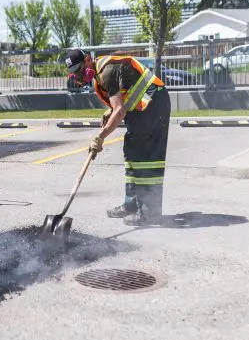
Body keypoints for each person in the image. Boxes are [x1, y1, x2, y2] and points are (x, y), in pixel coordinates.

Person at [65, 49, 171, 226]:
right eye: (74, 72)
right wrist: (110, 110)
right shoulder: (100, 73)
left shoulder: (106, 71)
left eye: (80, 70)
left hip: (153, 104)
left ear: (88, 60)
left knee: (145, 157)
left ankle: (149, 212)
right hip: (143, 107)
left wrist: (100, 136)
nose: (79, 76)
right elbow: (125, 95)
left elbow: (120, 110)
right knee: (131, 151)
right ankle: (131, 204)